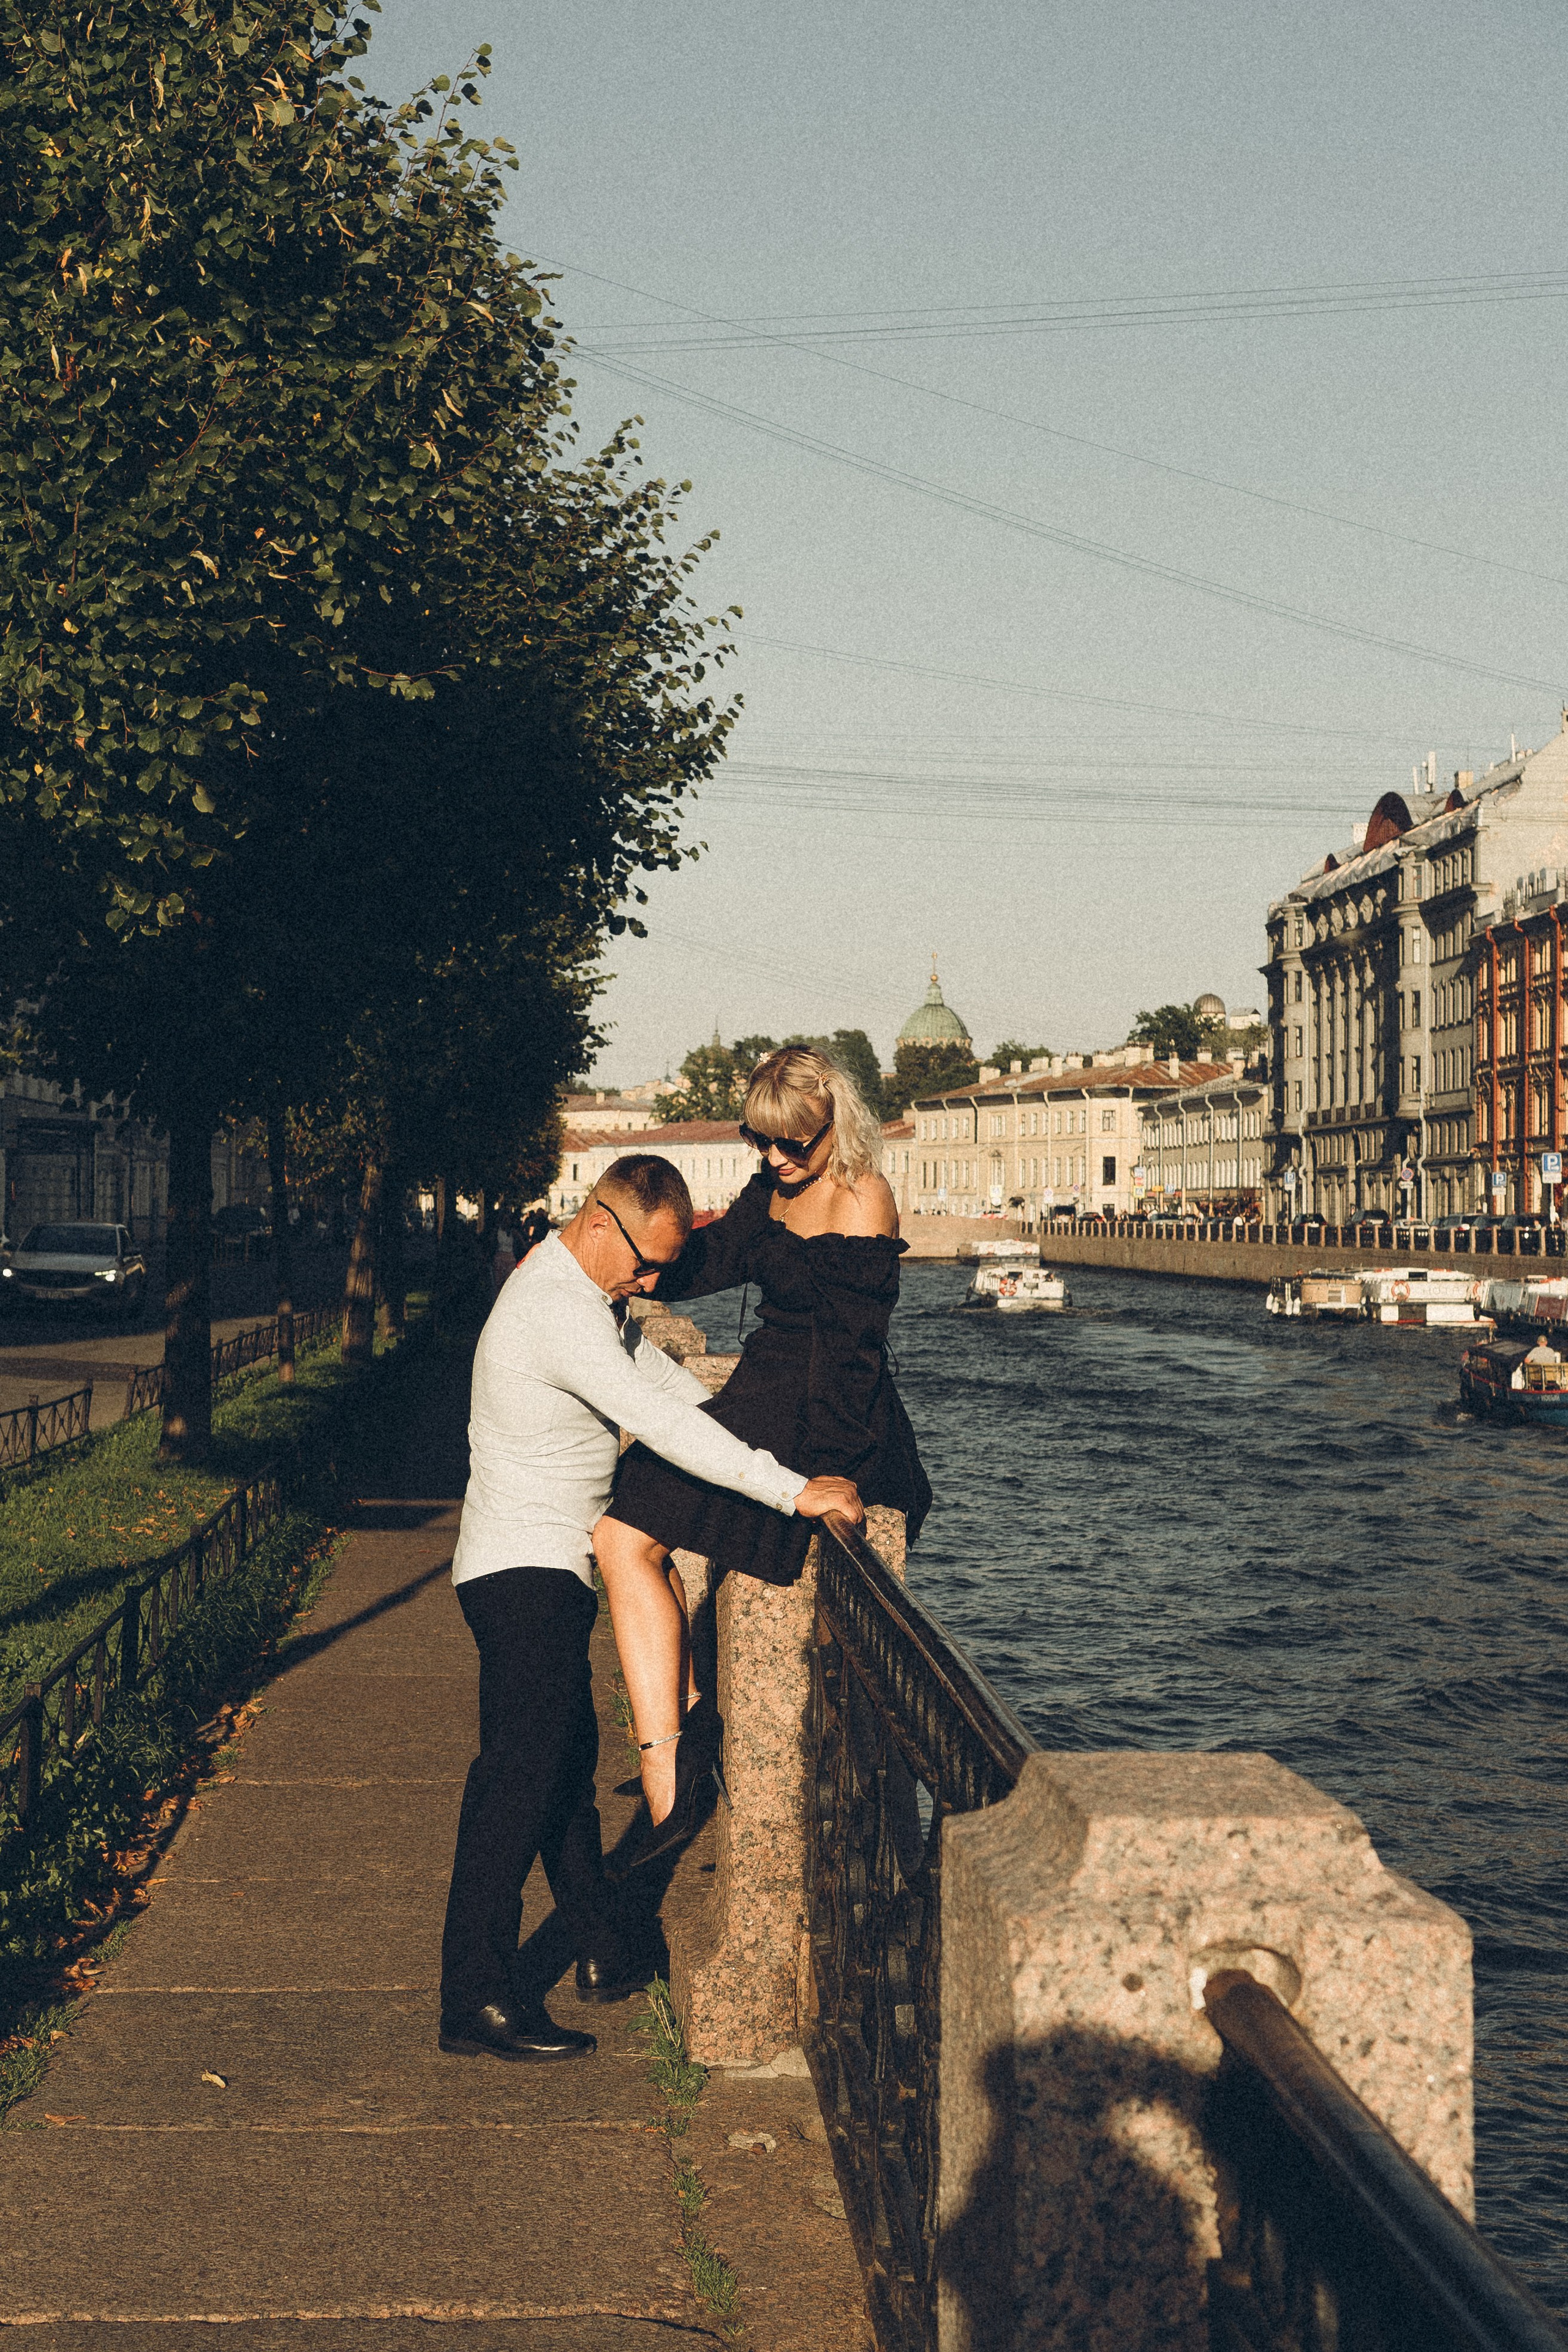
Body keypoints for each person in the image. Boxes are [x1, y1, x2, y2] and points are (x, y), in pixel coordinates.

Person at [437, 1151, 863, 2065]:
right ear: (600, 1222)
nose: (653, 1281)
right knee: (516, 1783)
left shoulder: (587, 1293)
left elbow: (677, 1391)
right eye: (644, 1263)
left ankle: (600, 1945)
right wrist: (791, 1492)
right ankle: (473, 1995)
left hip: (532, 1566)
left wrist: (757, 1421)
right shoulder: (556, 1309)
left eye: (664, 1269)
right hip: (524, 1571)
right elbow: (658, 1420)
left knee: (561, 1776)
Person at [594, 1046, 932, 1874]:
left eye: (796, 1145)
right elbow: (710, 1261)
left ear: (834, 1128)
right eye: (762, 1141)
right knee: (622, 1526)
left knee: (629, 1528)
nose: (778, 1160)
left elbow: (854, 1358)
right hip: (761, 1393)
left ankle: (675, 1769)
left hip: (824, 1418)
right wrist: (632, 1267)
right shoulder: (770, 1189)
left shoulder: (863, 1199)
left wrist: (827, 1475)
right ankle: (681, 1734)